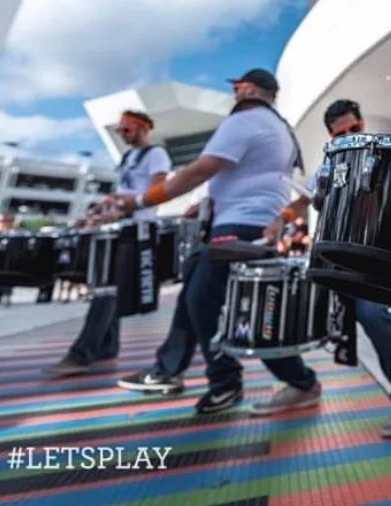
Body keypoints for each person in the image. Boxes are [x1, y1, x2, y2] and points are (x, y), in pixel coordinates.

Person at [115, 69, 322, 416]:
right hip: (241, 222)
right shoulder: (277, 126)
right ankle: (169, 371)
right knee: (193, 298)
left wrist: (140, 201)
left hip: (241, 226)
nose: (235, 94)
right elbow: (250, 175)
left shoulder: (245, 119)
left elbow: (201, 168)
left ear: (250, 89)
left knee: (208, 302)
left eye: (238, 88)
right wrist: (210, 202)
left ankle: (265, 381)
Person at [268, 98, 391, 438]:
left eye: (355, 128)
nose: (350, 135)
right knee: (285, 305)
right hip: (335, 256)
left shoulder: (387, 154)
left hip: (379, 256)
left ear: (362, 123)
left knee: (372, 315)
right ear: (331, 135)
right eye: (341, 133)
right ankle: (300, 383)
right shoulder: (330, 164)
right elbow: (303, 198)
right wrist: (280, 220)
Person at [44, 111, 172, 376]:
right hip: (117, 226)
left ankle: (82, 354)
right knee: (108, 287)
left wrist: (125, 207)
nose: (122, 135)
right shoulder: (127, 158)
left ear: (144, 129)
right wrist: (108, 204)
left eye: (127, 130)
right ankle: (107, 345)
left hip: (137, 227)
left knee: (107, 289)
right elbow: (126, 191)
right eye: (120, 130)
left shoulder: (156, 154)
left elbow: (158, 192)